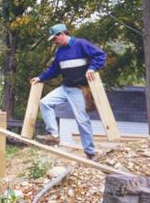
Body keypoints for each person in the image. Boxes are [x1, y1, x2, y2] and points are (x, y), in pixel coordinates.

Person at [30, 23, 106, 159]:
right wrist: (40, 78)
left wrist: (92, 68)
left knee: (82, 120)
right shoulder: (60, 52)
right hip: (65, 88)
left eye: (55, 38)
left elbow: (100, 55)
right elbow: (54, 70)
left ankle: (90, 152)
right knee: (45, 103)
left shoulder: (81, 44)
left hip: (78, 89)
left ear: (62, 34)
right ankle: (54, 135)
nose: (54, 41)